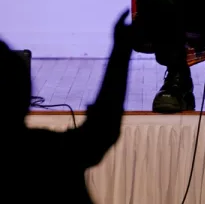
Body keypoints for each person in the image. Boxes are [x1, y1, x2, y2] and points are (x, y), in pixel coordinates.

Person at [0, 11, 132, 204]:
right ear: (24, 96)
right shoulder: (47, 153)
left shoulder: (46, 151)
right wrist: (121, 51)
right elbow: (101, 130)